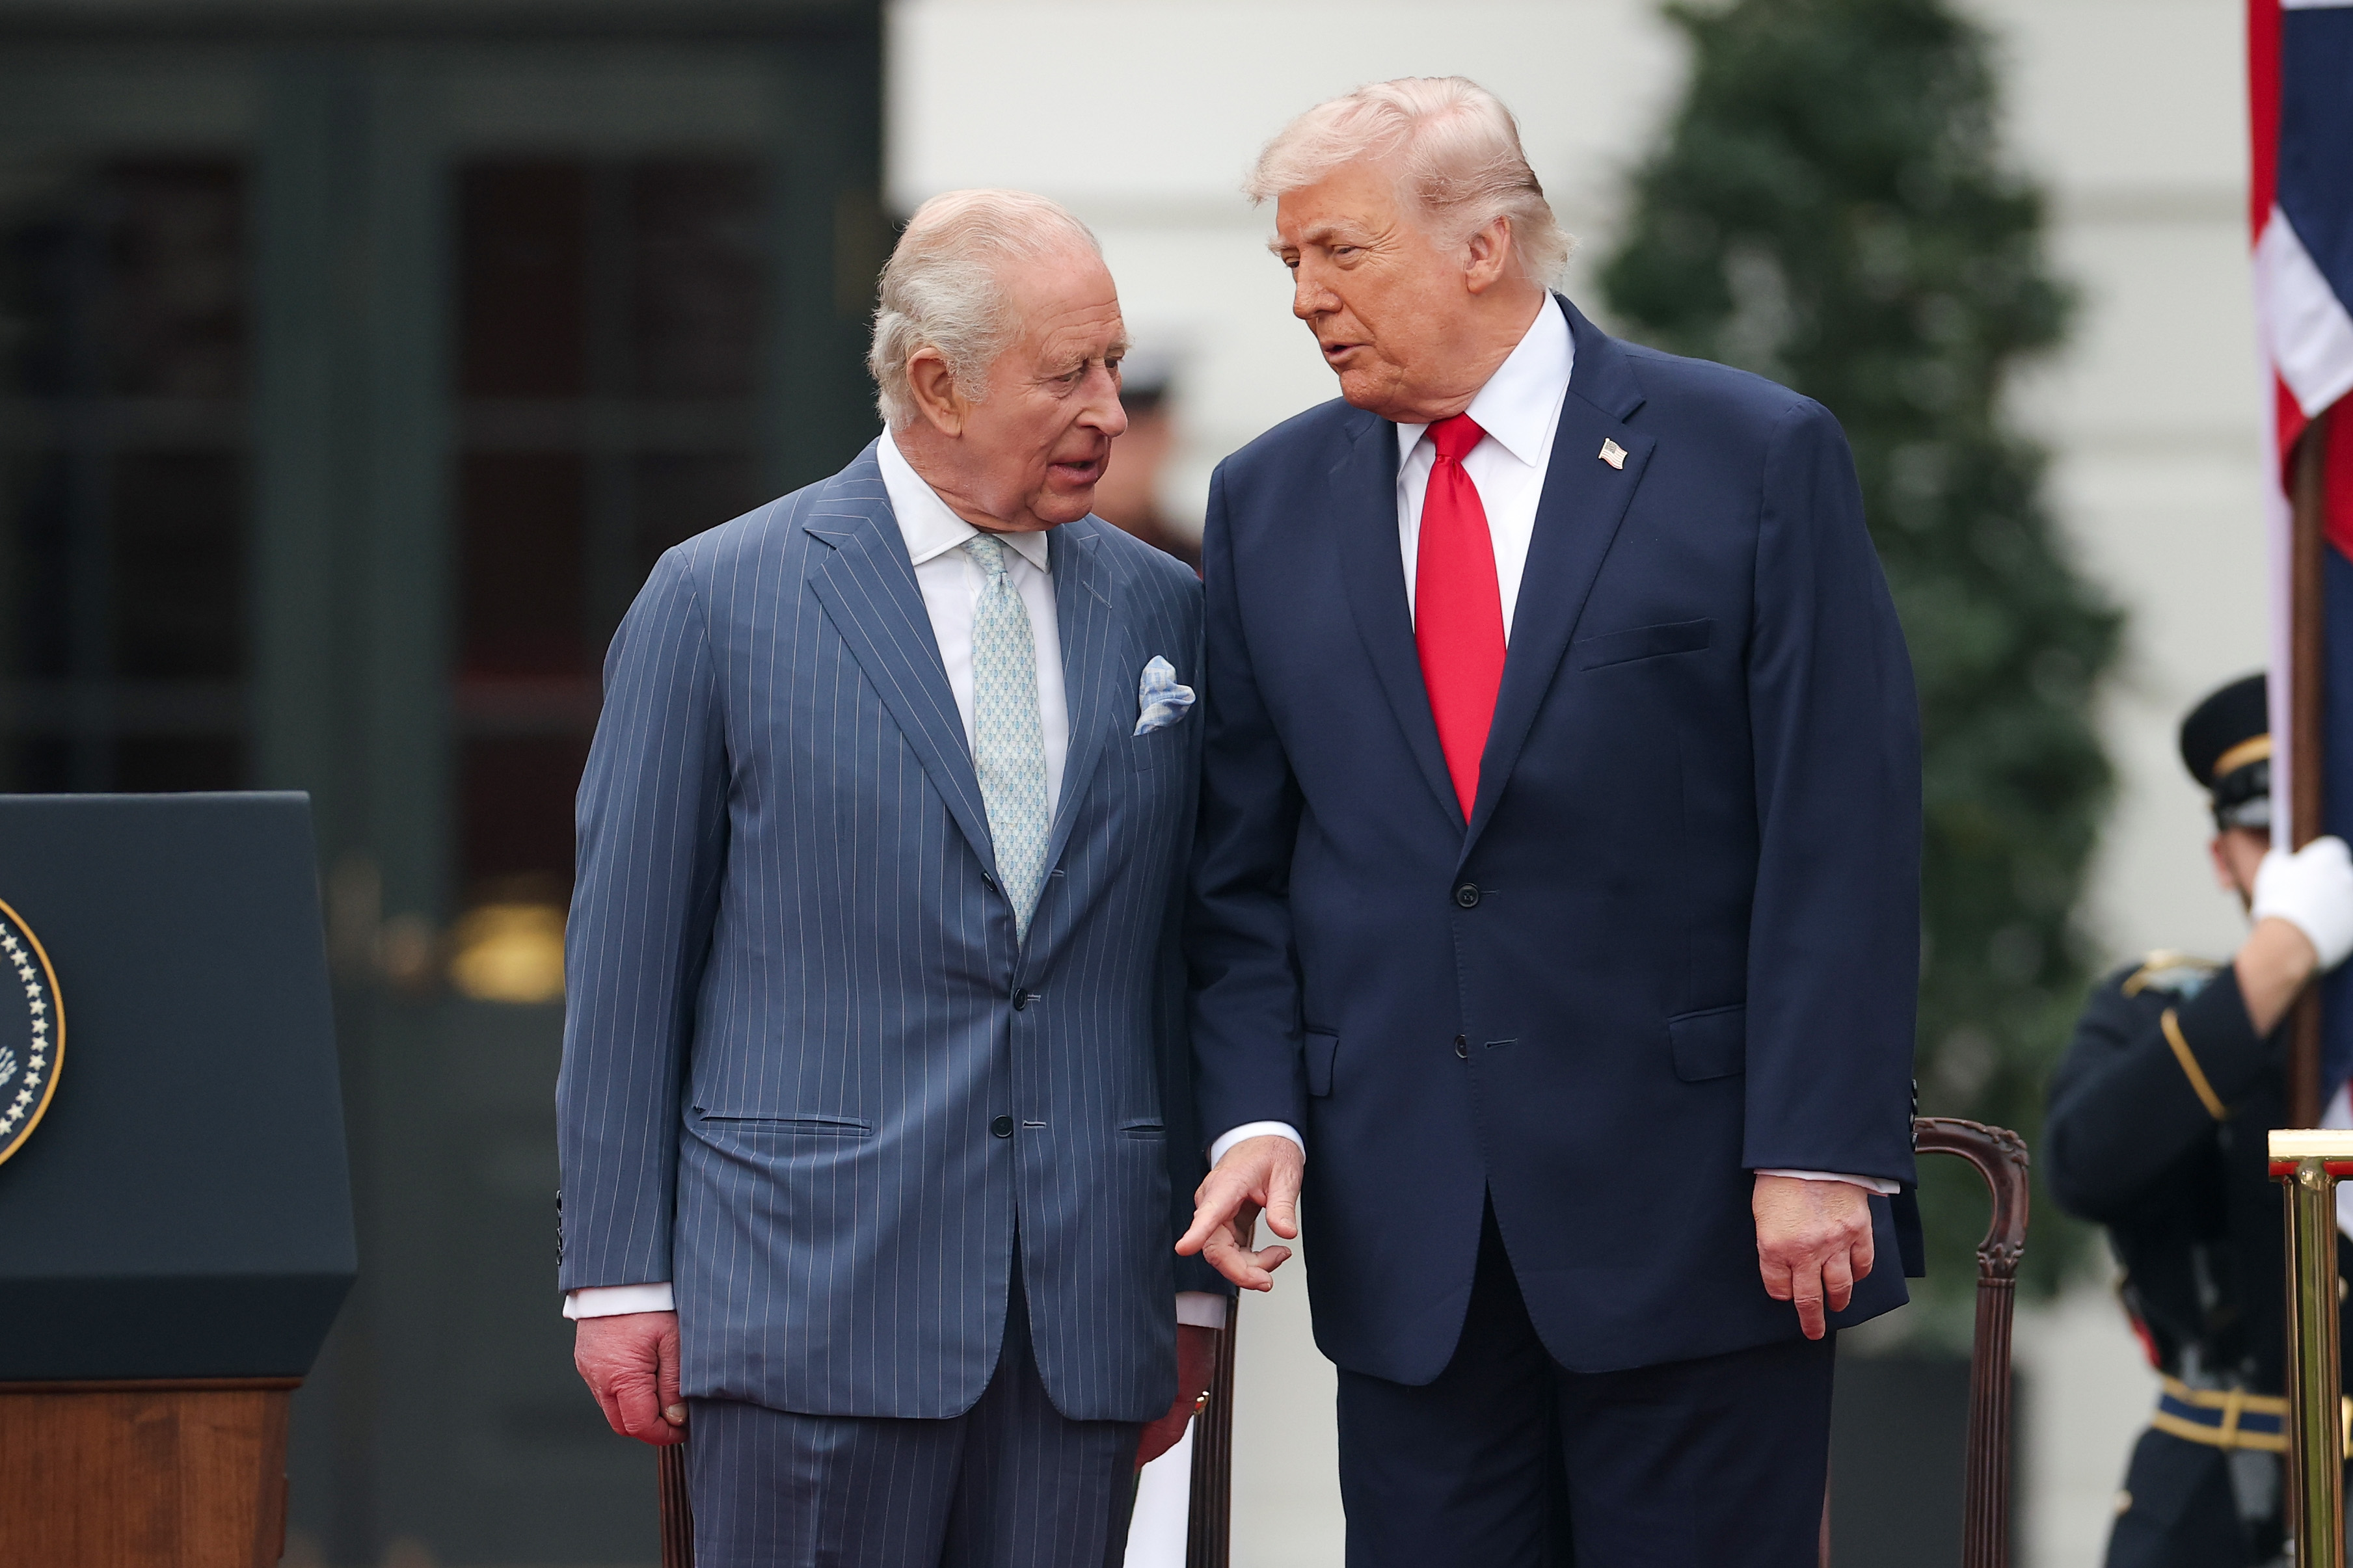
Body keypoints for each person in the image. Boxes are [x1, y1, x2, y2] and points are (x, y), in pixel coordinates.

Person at [1179, 78, 1922, 1567]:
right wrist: (1258, 1110)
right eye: (1292, 267)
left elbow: (1841, 829)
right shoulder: (1267, 501)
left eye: (1342, 254)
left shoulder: (1751, 458)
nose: (1311, 300)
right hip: (1412, 1248)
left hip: (1706, 1226)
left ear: (1483, 244)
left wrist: (1819, 1147)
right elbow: (1239, 873)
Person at [556, 188, 1228, 1568]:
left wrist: (1188, 1290)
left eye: (1113, 362)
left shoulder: (1169, 611)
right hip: (804, 1310)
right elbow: (629, 962)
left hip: (1083, 1329)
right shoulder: (718, 599)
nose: (1111, 408)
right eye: (1068, 373)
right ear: (935, 381)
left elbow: (1185, 961)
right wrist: (619, 1279)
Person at [2047, 672, 2353, 1568]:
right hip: (2215, 1492)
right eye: (2267, 837)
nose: (2301, 866)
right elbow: (2084, 1165)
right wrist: (2277, 960)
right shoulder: (2155, 1009)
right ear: (2221, 857)